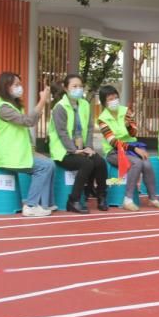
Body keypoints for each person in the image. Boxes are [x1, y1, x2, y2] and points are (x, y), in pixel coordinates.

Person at [0, 72, 56, 217]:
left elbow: (23, 134)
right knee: (45, 166)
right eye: (16, 85)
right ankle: (31, 205)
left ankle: (45, 203)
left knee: (49, 163)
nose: (20, 88)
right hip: (6, 155)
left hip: (17, 153)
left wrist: (33, 151)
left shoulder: (14, 106)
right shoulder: (3, 108)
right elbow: (28, 122)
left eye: (20, 84)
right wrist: (42, 100)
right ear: (6, 87)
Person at [97, 85, 159, 211]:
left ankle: (153, 198)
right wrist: (134, 149)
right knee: (136, 163)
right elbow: (113, 141)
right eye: (110, 98)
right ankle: (127, 199)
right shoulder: (102, 119)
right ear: (104, 102)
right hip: (114, 152)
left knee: (147, 164)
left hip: (131, 147)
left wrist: (129, 125)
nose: (114, 100)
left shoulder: (126, 111)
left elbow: (134, 133)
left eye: (115, 97)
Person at [48, 74, 109, 213]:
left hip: (81, 148)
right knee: (86, 163)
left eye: (80, 86)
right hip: (63, 151)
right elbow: (61, 133)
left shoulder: (85, 104)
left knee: (100, 162)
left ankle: (101, 196)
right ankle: (73, 200)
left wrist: (88, 147)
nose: (78, 89)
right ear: (65, 88)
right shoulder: (60, 107)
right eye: (74, 86)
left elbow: (88, 128)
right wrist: (73, 150)